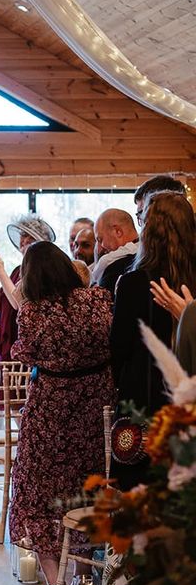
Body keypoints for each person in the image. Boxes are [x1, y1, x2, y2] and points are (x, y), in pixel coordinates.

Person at [8, 241, 115, 585]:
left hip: (51, 408)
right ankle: (84, 583)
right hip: (96, 405)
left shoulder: (33, 313)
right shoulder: (98, 300)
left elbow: (24, 353)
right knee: (89, 489)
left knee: (34, 493)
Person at [111, 192, 196, 489]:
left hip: (144, 396)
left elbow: (118, 346)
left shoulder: (134, 281)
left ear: (150, 229)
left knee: (141, 488)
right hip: (189, 393)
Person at [0, 215, 55, 361]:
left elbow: (17, 303)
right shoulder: (17, 271)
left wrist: (1, 271)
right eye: (22, 242)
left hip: (27, 338)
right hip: (11, 336)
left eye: (29, 242)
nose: (23, 246)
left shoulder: (43, 272)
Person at [91, 209, 138, 295]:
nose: (99, 248)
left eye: (100, 240)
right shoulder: (149, 255)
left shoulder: (113, 266)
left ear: (118, 232)